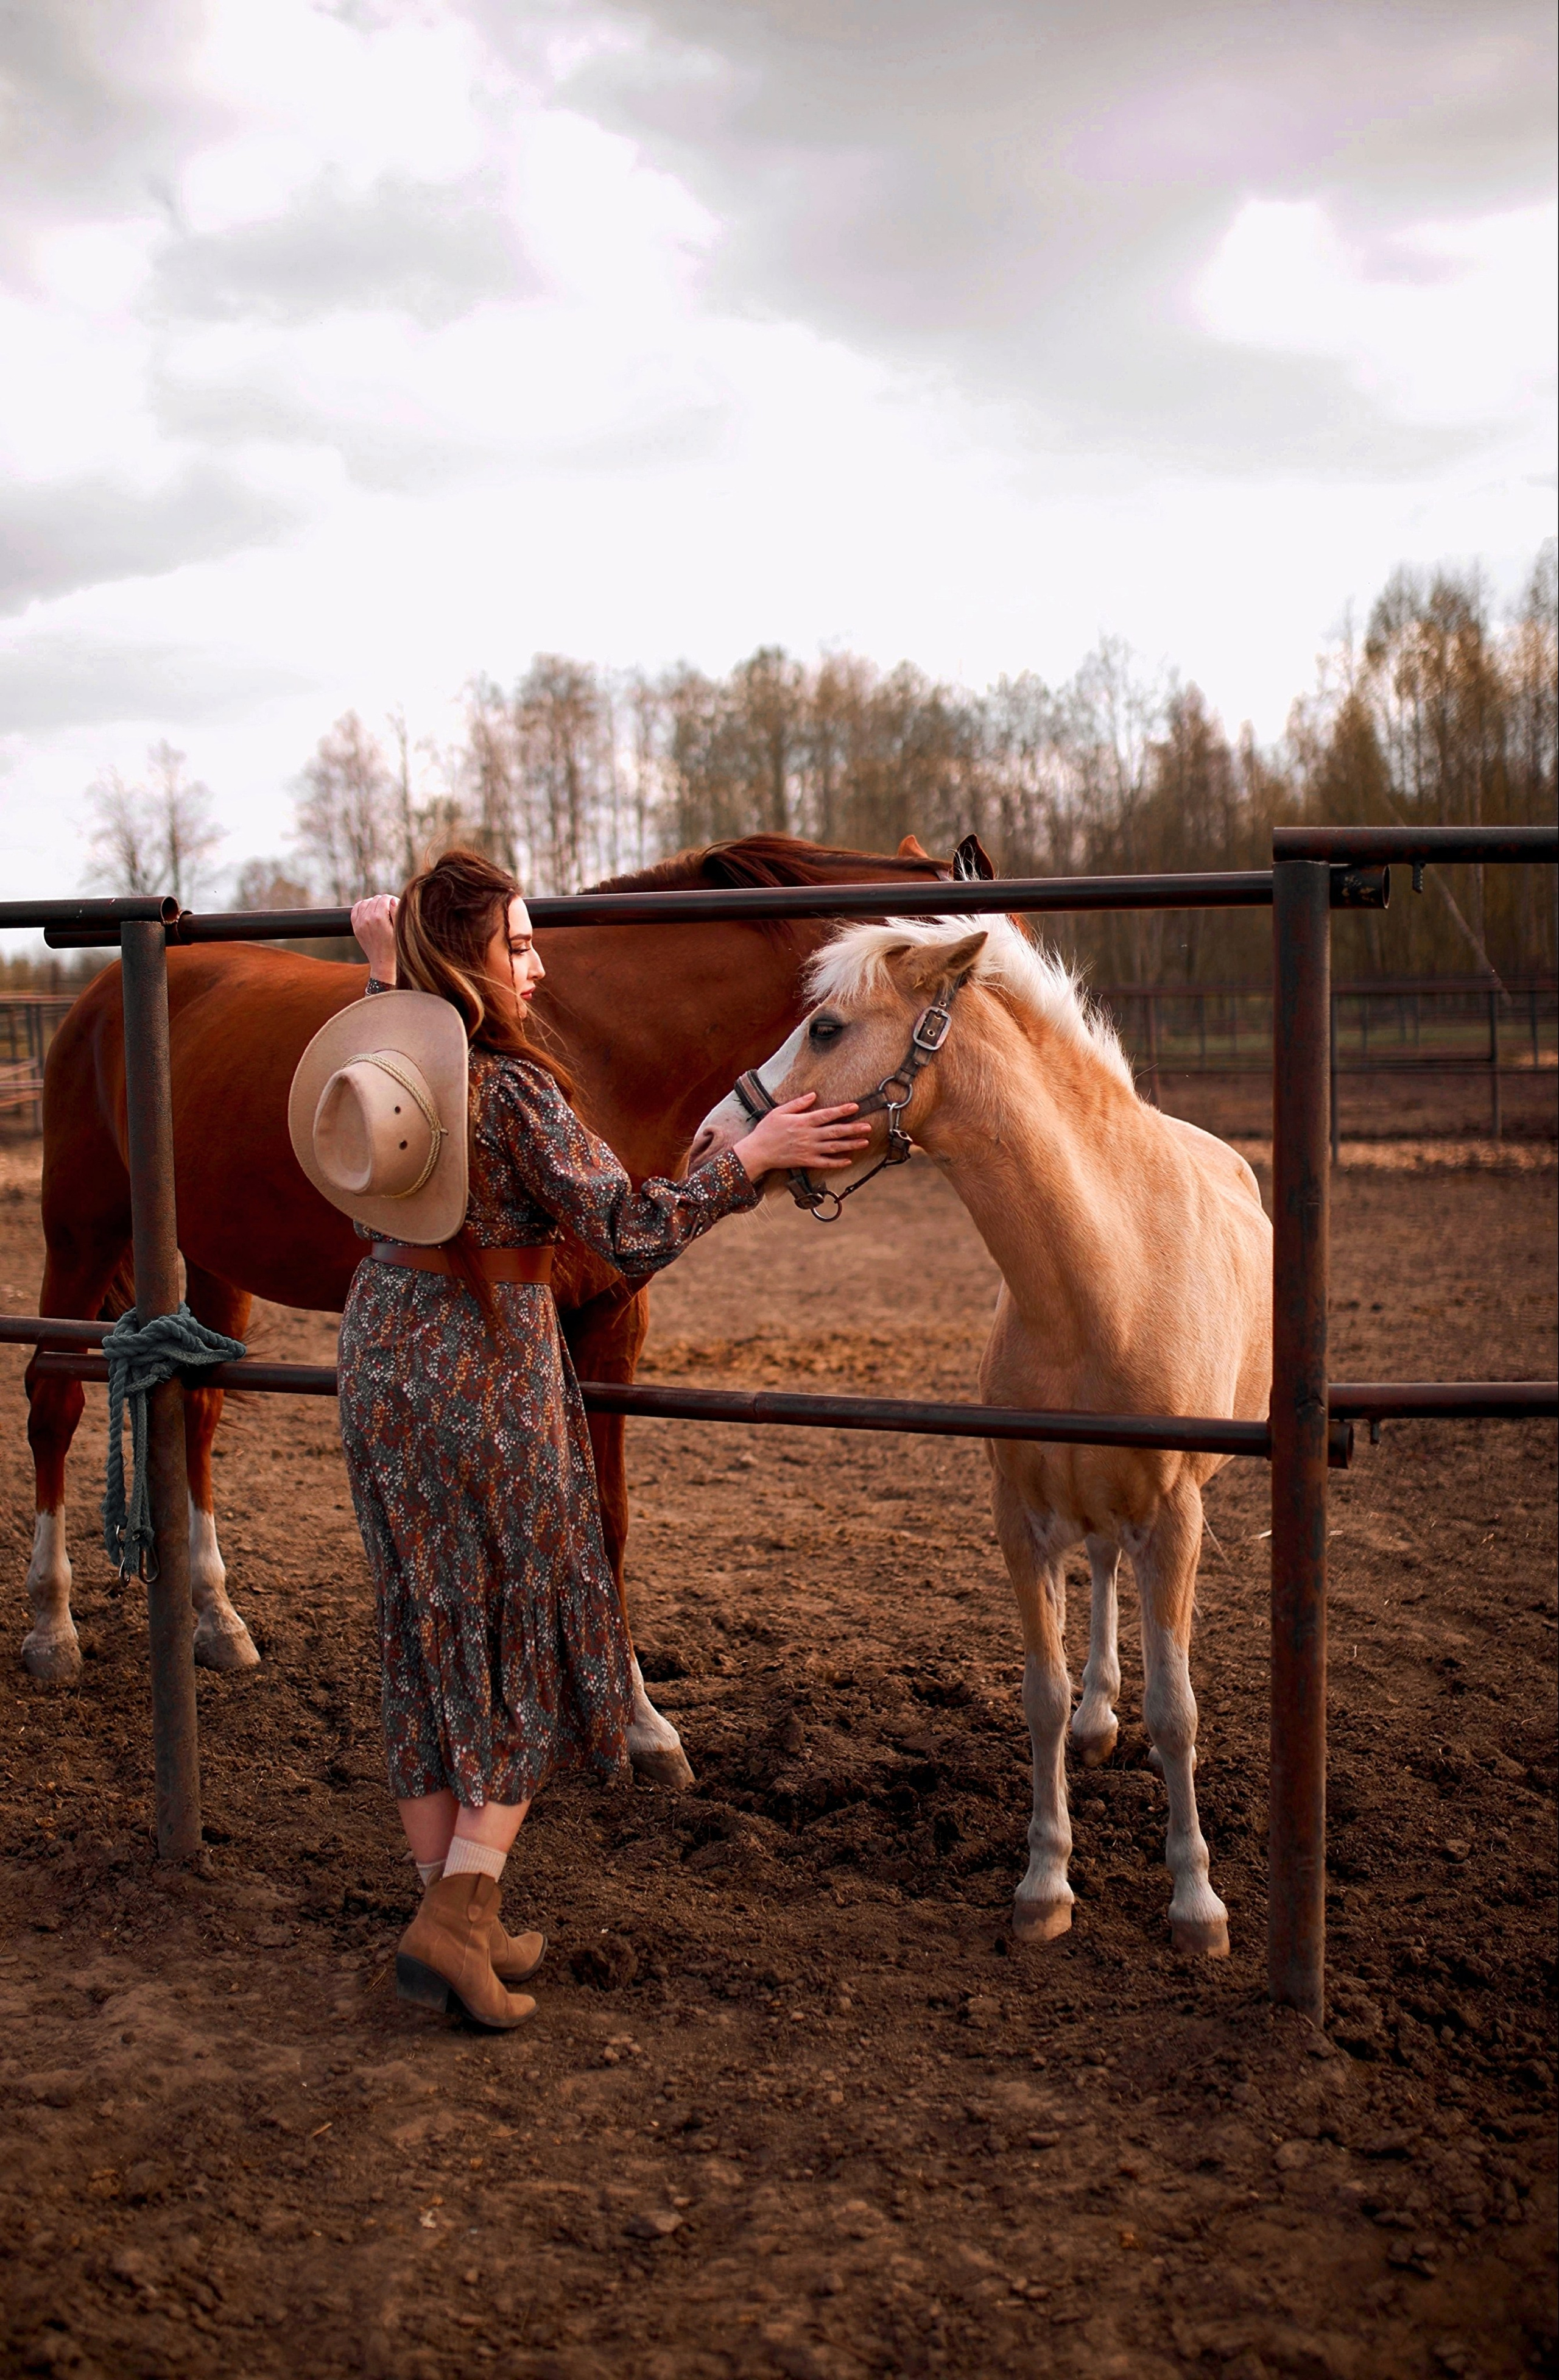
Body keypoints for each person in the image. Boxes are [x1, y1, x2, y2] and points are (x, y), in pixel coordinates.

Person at [287, 848, 870, 2030]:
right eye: (520, 944)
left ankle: (452, 1910)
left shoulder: (385, 1055)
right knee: (532, 1634)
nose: (540, 965)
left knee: (424, 1624)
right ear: (473, 959)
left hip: (382, 1360)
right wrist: (744, 1161)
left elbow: (369, 1106)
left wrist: (379, 973)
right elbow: (623, 1224)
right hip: (483, 1369)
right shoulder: (513, 1089)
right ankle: (455, 1916)